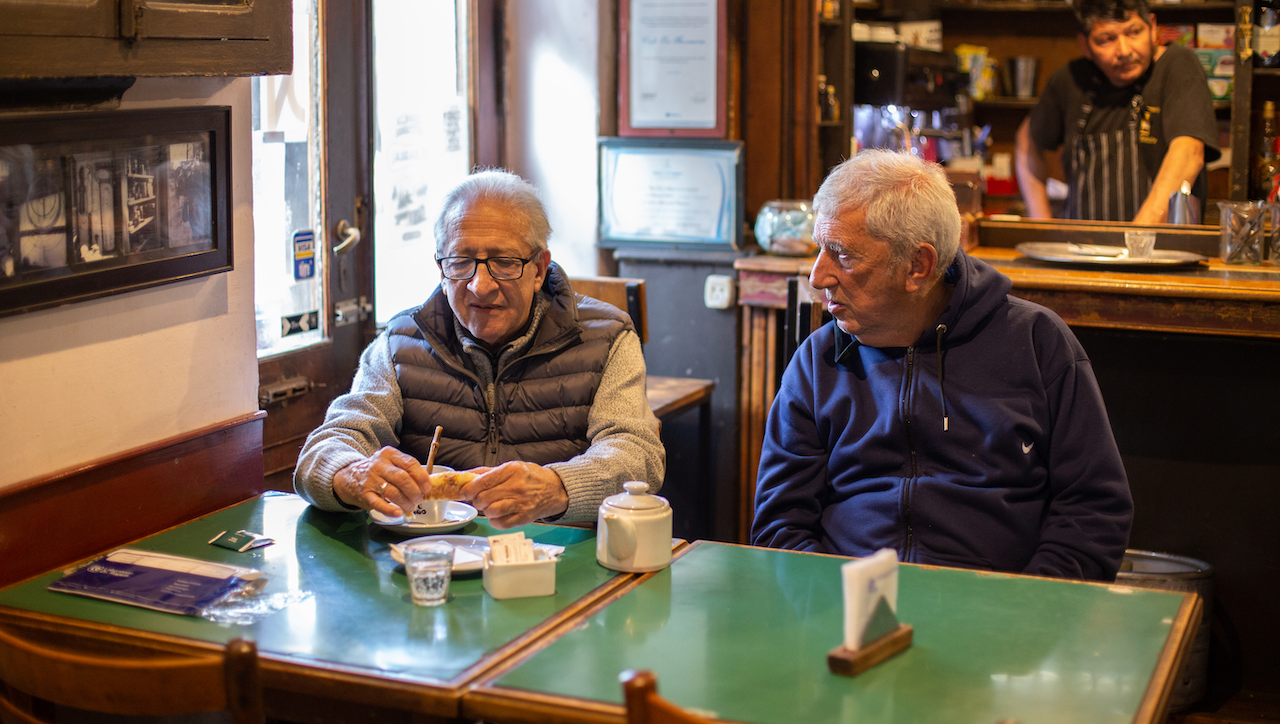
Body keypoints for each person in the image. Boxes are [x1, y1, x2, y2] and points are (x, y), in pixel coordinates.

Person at [752, 149, 1133, 581]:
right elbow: (779, 525)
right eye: (820, 248)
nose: (816, 277)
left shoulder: (1037, 344)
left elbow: (1094, 513)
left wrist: (1028, 608)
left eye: (842, 255)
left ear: (919, 265)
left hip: (1002, 615)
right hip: (845, 611)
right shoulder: (817, 362)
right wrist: (834, 607)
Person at [294, 169, 664, 528]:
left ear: (539, 269)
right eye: (461, 263)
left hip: (561, 560)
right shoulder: (400, 343)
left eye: (504, 263)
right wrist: (351, 474)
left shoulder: (605, 336)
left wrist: (556, 488)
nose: (480, 286)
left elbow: (636, 453)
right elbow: (327, 446)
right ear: (441, 269)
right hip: (431, 561)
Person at [1015, 0, 1218, 223]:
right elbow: (1027, 140)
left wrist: (1136, 240)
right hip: (1082, 253)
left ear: (1152, 27)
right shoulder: (1070, 79)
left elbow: (1189, 152)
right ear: (1085, 45)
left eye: (1134, 33)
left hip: (1164, 253)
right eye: (1107, 39)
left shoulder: (1177, 66)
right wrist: (1041, 222)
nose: (1123, 50)